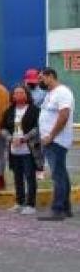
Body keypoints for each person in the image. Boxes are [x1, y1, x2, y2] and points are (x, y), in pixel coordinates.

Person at [37, 68, 75, 221]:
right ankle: (65, 208)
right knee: (61, 174)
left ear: (50, 76)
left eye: (42, 78)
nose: (40, 81)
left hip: (57, 141)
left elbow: (64, 115)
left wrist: (51, 135)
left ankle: (57, 209)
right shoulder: (50, 94)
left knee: (57, 175)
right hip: (50, 140)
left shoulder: (62, 92)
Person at [1, 85, 40, 215]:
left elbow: (37, 128)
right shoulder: (9, 111)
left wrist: (24, 138)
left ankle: (30, 204)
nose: (18, 95)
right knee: (17, 177)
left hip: (29, 150)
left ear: (26, 94)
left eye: (21, 92)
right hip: (14, 150)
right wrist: (10, 137)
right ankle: (19, 202)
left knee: (30, 176)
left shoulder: (34, 110)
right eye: (15, 93)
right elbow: (3, 128)